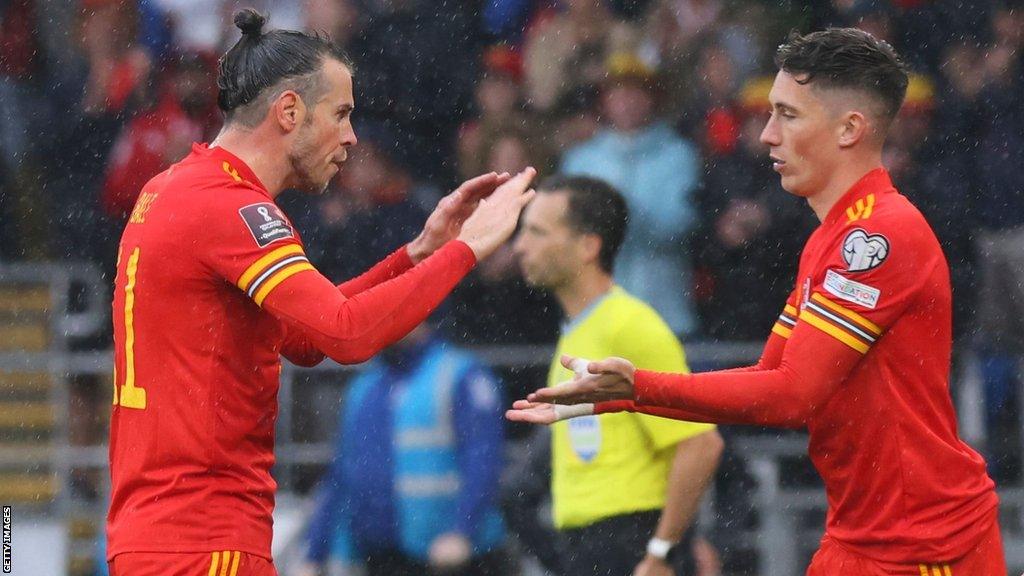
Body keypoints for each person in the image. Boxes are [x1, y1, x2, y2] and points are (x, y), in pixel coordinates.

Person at [508, 28, 1005, 575]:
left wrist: (638, 388)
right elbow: (769, 377)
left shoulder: (879, 239)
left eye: (787, 115)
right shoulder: (829, 238)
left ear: (850, 129)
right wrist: (623, 398)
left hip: (924, 543)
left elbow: (791, 396)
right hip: (861, 534)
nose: (767, 135)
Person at [106, 10, 536, 576]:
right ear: (289, 112)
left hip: (159, 533)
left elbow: (306, 338)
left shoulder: (175, 188)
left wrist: (418, 255)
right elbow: (348, 333)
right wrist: (470, 250)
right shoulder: (232, 207)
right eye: (341, 114)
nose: (352, 137)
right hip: (206, 542)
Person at [511, 175, 724, 576]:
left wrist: (662, 551)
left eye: (536, 232)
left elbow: (700, 444)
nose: (520, 246)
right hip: (591, 543)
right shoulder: (580, 329)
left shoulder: (630, 325)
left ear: (588, 246)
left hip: (628, 537)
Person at [298, 323, 507, 576]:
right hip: (380, 557)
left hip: (448, 559)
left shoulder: (461, 374)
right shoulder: (365, 386)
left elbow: (483, 460)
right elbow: (341, 475)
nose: (386, 322)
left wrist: (462, 532)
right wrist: (315, 553)